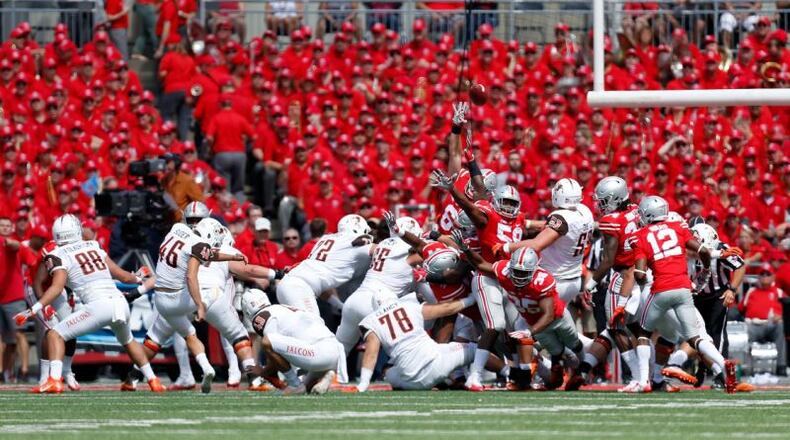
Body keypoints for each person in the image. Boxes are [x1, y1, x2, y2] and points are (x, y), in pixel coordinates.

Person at [14, 214, 164, 393]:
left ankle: (54, 379)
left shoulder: (57, 253)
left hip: (98, 306)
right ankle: (153, 380)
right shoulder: (94, 245)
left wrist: (34, 308)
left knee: (55, 334)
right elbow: (122, 276)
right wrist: (138, 277)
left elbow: (56, 287)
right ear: (77, 230)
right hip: (119, 302)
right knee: (129, 341)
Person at [121, 217, 246, 393]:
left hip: (165, 297)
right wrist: (200, 304)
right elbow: (197, 270)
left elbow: (165, 272)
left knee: (164, 336)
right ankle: (236, 372)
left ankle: (136, 378)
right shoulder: (199, 246)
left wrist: (136, 292)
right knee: (226, 323)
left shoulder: (176, 229)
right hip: (190, 297)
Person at [631, 195, 736, 394]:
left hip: (658, 289)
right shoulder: (678, 229)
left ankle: (649, 378)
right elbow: (703, 251)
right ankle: (721, 365)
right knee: (696, 336)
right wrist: (712, 262)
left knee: (646, 334)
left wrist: (639, 283)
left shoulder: (641, 235)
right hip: (683, 289)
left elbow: (639, 273)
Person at [456, 239, 585, 391]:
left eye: (523, 273)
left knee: (574, 342)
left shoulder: (542, 281)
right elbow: (481, 265)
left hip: (557, 318)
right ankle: (530, 377)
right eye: (516, 271)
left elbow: (549, 315)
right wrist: (467, 250)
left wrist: (530, 331)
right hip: (532, 320)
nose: (518, 276)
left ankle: (583, 370)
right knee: (556, 350)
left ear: (534, 270)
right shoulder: (505, 271)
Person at [353, 287, 476, 391]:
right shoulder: (409, 305)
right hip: (437, 363)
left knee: (388, 371)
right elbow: (446, 309)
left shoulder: (370, 321)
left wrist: (363, 384)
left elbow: (371, 354)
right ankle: (485, 373)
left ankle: (441, 383)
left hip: (412, 381)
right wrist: (471, 299)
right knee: (476, 350)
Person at [335, 215, 424, 355]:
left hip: (354, 300)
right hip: (375, 304)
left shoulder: (383, 244)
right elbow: (430, 253)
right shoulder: (409, 251)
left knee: (338, 352)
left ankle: (308, 376)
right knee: (405, 346)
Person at [502, 178, 594, 304]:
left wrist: (506, 247)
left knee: (526, 313)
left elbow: (536, 245)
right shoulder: (585, 211)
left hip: (555, 280)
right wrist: (527, 223)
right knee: (558, 317)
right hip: (574, 280)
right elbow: (555, 228)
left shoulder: (561, 217)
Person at [242, 288, 345, 395]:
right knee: (308, 388)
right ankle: (325, 374)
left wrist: (262, 372)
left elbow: (272, 346)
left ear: (247, 309)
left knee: (267, 342)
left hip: (317, 353)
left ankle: (294, 384)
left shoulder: (261, 316)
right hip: (334, 350)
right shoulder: (283, 308)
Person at [739, 264, 787, 376]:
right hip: (753, 325)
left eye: (768, 274)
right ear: (759, 277)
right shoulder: (751, 291)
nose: (765, 276)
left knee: (781, 326)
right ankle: (744, 367)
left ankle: (781, 366)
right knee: (743, 332)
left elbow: (787, 310)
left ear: (773, 277)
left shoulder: (779, 292)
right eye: (762, 274)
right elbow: (741, 309)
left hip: (772, 325)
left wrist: (781, 316)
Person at [205, 94, 255, 200]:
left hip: (222, 154)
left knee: (223, 188)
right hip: (239, 155)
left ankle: (227, 213)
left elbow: (209, 137)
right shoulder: (240, 118)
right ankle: (239, 211)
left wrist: (210, 149)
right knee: (239, 190)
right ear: (231, 104)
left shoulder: (216, 118)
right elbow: (253, 135)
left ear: (220, 104)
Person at [0, 215, 27, 383]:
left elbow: (16, 246)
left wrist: (9, 242)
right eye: (1, 225)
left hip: (14, 297)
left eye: (7, 225)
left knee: (18, 335)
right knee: (4, 340)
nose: (4, 228)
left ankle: (24, 369)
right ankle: (4, 372)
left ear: (12, 228)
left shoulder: (13, 244)